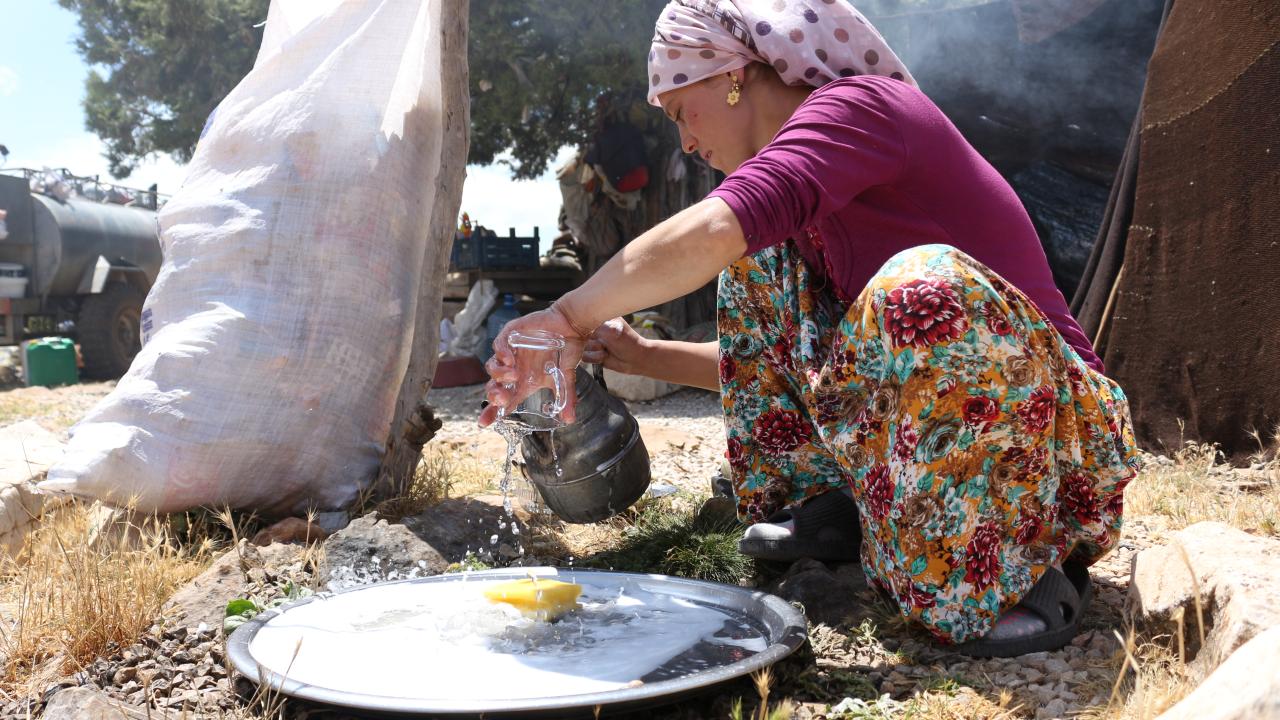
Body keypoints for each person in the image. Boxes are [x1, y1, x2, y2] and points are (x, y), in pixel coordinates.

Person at [480, 0, 1140, 657]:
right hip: (960, 435)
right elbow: (797, 364)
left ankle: (1020, 572)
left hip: (1062, 449)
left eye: (682, 111)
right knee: (759, 259)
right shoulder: (811, 213)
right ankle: (828, 505)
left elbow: (714, 229)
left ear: (732, 73)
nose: (684, 140)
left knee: (915, 287)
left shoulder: (861, 110)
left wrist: (567, 314)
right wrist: (643, 354)